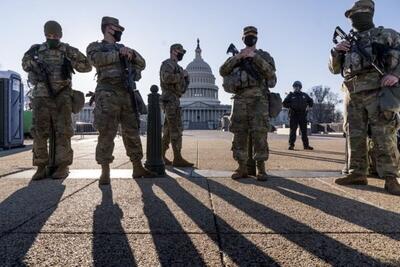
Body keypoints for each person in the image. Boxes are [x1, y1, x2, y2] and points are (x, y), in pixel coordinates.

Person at [329, 0, 400, 195]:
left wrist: (395, 74)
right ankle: (357, 172)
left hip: (378, 89)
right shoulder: (348, 42)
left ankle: (391, 178)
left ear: (369, 13)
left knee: (384, 134)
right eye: (352, 15)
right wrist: (336, 52)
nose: (353, 18)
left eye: (357, 14)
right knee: (354, 134)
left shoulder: (387, 35)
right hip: (351, 93)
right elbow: (335, 70)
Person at [86, 16, 153, 185]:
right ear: (109, 28)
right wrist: (118, 54)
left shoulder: (125, 48)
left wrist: (131, 54)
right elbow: (95, 60)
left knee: (132, 132)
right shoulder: (96, 47)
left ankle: (137, 166)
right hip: (107, 94)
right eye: (118, 29)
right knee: (107, 133)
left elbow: (142, 63)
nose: (120, 32)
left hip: (126, 94)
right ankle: (105, 170)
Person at [22, 20, 92, 180]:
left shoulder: (67, 49)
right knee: (39, 132)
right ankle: (41, 167)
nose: (51, 37)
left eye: (54, 34)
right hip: (41, 95)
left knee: (63, 131)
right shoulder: (36, 50)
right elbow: (25, 64)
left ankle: (63, 166)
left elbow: (87, 67)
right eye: (48, 34)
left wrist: (72, 59)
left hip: (62, 95)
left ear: (60, 35)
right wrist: (34, 64)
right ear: (45, 34)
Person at [220, 26, 277, 181]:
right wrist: (238, 58)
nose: (250, 38)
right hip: (239, 99)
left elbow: (271, 75)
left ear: (256, 38)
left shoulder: (264, 56)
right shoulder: (236, 57)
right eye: (247, 36)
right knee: (239, 133)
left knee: (260, 133)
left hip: (259, 99)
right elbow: (222, 70)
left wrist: (254, 57)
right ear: (242, 38)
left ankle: (261, 168)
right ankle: (241, 167)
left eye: (252, 36)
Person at [160, 44, 194, 167]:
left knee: (168, 130)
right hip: (169, 99)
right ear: (174, 51)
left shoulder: (180, 68)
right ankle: (177, 157)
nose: (182, 54)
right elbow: (166, 78)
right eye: (180, 51)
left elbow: (183, 88)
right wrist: (182, 76)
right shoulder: (167, 64)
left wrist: (187, 79)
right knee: (175, 129)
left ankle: (161, 155)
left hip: (176, 98)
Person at [283, 81, 314, 150]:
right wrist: (290, 105)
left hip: (302, 115)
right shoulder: (290, 95)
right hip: (293, 115)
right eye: (295, 86)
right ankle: (291, 145)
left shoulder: (304, 95)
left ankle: (306, 146)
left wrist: (309, 107)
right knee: (293, 131)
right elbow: (284, 103)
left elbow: (311, 101)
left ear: (300, 87)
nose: (296, 88)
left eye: (298, 86)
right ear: (293, 87)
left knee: (304, 131)